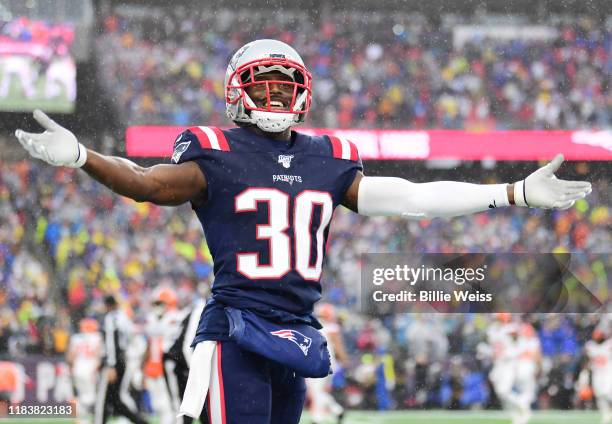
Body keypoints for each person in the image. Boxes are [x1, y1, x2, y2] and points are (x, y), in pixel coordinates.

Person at [14, 39, 592, 424]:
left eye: (283, 86)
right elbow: (145, 183)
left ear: (303, 93)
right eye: (261, 85)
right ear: (237, 91)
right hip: (236, 329)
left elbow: (413, 198)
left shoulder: (328, 157)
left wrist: (511, 192)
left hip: (296, 332)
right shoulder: (215, 151)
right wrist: (83, 156)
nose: (273, 96)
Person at [94, 295, 148, 424]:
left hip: (114, 361)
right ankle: (141, 422)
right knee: (116, 400)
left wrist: (111, 364)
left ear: (108, 305)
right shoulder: (123, 317)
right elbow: (131, 335)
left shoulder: (110, 318)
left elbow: (112, 342)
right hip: (123, 359)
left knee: (103, 399)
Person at [66, 318, 104, 423]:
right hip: (90, 368)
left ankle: (77, 416)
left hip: (78, 368)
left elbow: (70, 356)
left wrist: (71, 367)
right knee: (91, 395)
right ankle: (84, 416)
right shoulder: (97, 337)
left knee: (81, 394)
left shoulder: (76, 338)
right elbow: (99, 354)